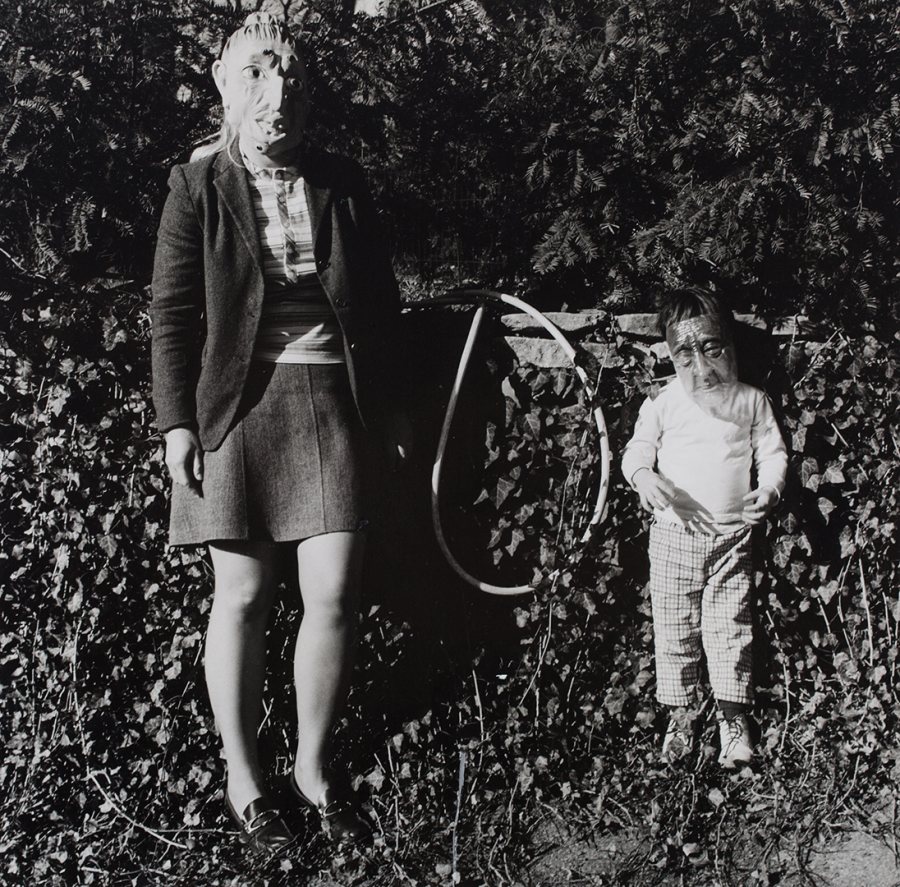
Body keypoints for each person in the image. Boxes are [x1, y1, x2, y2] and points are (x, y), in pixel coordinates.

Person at [150, 12, 410, 851]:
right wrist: (177, 423)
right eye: (259, 75)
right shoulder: (197, 187)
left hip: (330, 399)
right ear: (227, 86)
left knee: (333, 588)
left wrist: (396, 405)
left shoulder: (343, 181)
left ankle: (314, 767)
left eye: (292, 79)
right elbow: (172, 316)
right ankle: (244, 778)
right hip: (236, 403)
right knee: (245, 595)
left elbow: (381, 301)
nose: (278, 96)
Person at [621, 289, 787, 767]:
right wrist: (643, 476)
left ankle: (733, 721)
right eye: (685, 355)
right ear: (670, 356)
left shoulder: (751, 402)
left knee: (730, 630)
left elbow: (772, 453)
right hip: (674, 536)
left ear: (731, 344)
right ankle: (681, 720)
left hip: (732, 539)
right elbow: (637, 448)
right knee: (675, 632)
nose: (702, 367)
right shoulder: (665, 402)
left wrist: (770, 490)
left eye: (712, 348)